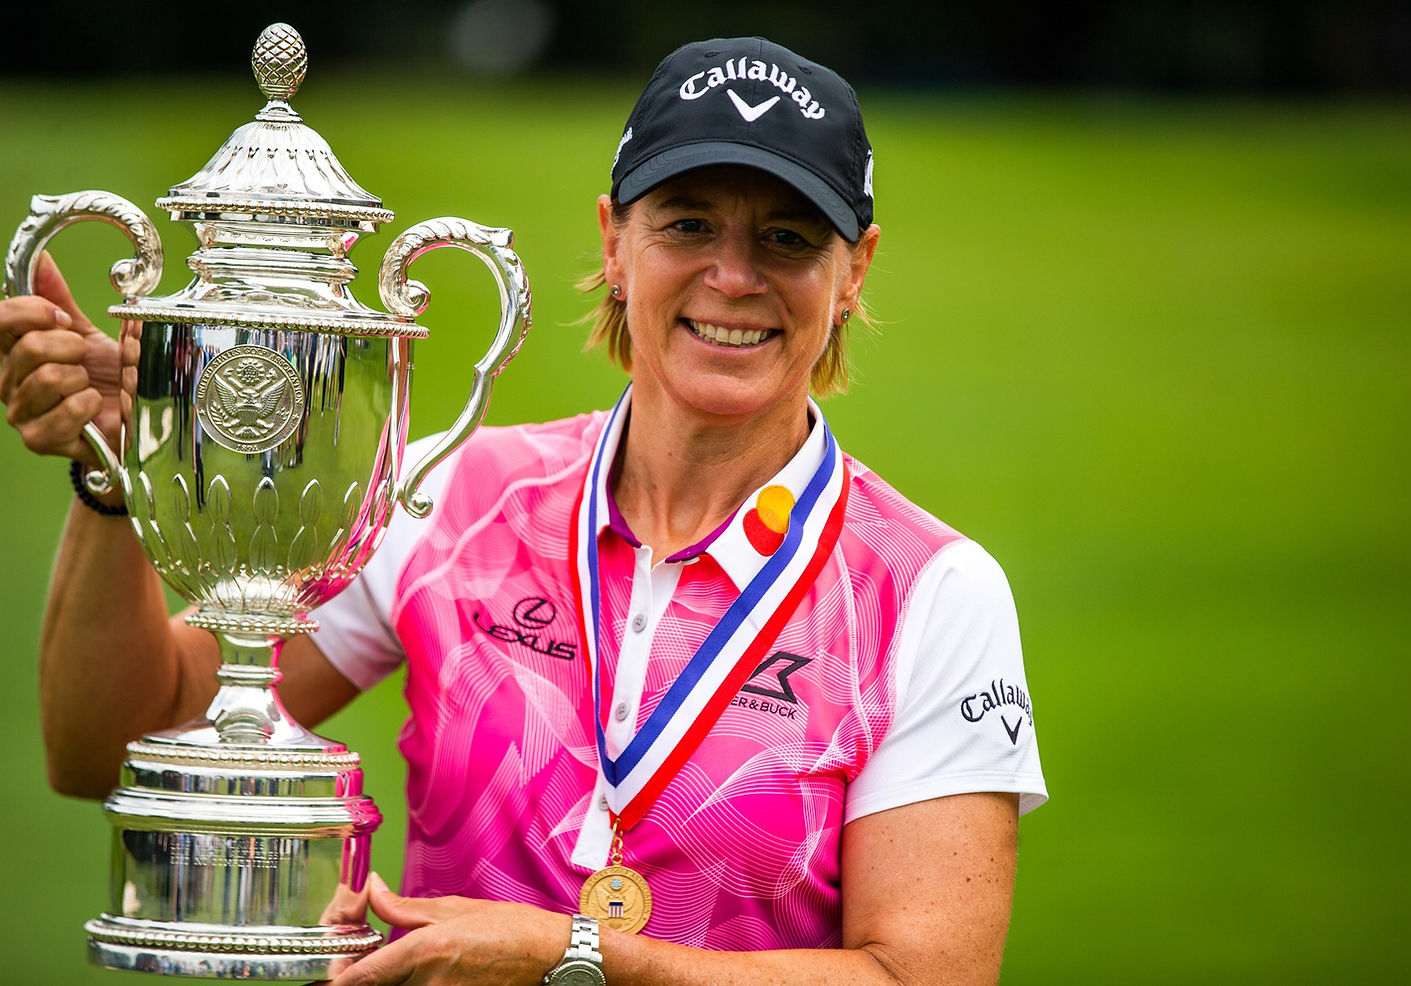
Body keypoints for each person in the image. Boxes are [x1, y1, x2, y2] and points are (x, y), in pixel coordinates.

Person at [0, 36, 1046, 986]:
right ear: (614, 239)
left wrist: (572, 956)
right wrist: (112, 480)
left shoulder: (927, 590)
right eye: (687, 225)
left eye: (786, 239)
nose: (733, 276)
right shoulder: (450, 493)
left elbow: (926, 975)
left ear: (853, 269)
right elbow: (115, 746)